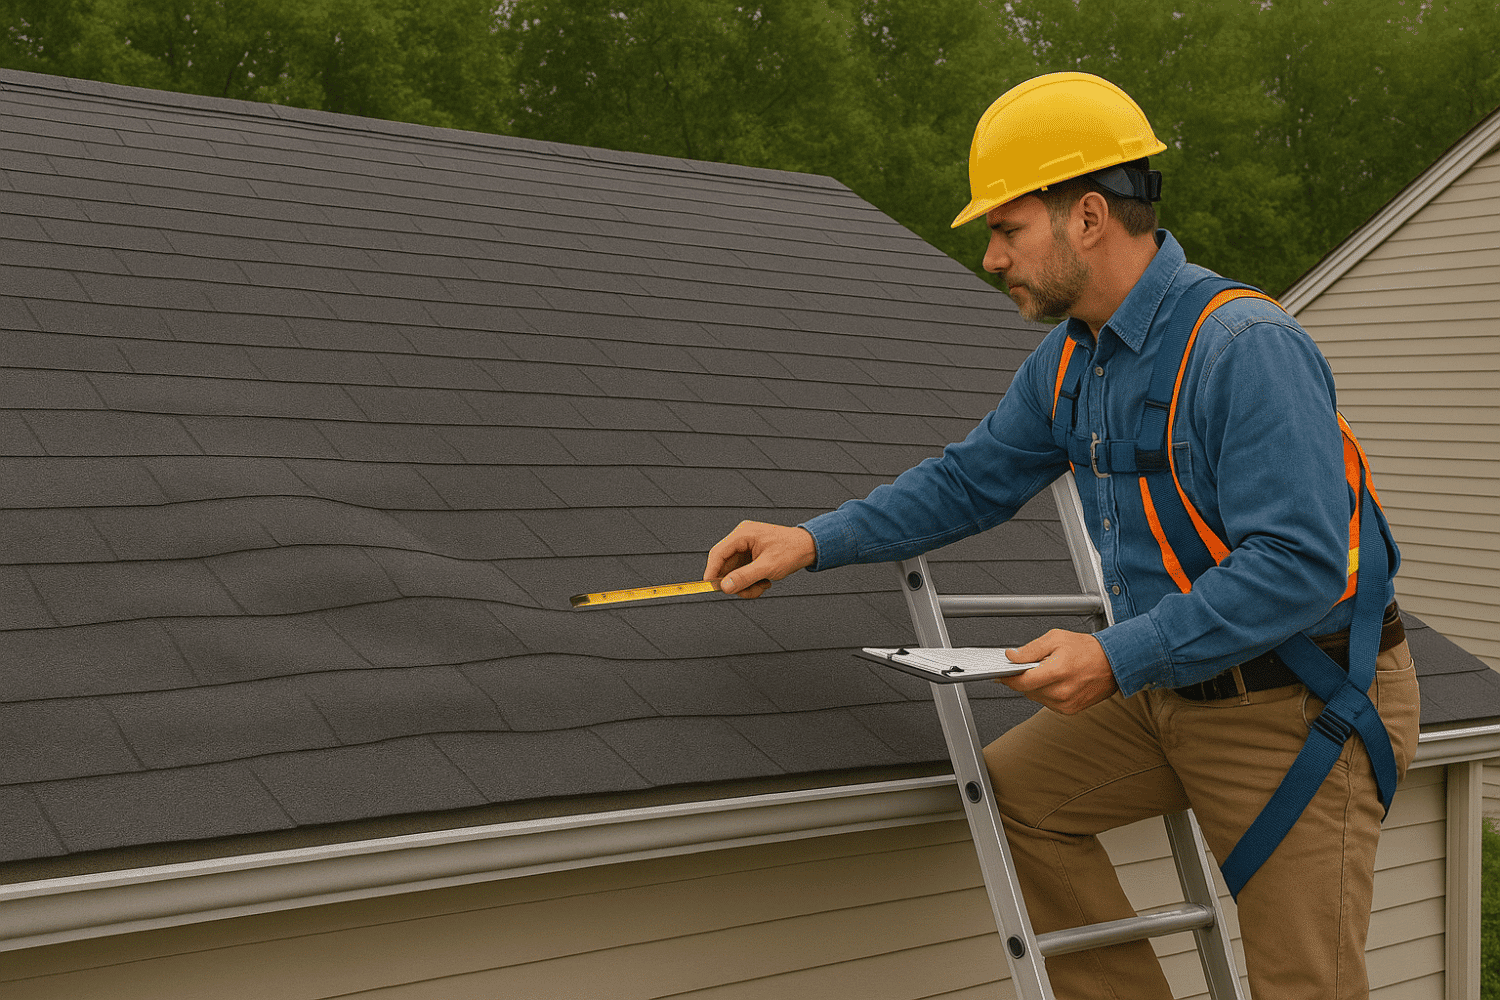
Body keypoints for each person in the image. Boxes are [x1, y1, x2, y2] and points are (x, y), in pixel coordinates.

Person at [703, 72, 1420, 999]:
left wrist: (1115, 658)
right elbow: (971, 479)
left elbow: (1301, 565)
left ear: (1087, 216)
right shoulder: (1075, 357)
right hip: (1171, 686)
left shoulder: (1244, 347)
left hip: (1296, 704)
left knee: (1303, 986)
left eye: (1006, 229)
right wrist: (810, 540)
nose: (993, 258)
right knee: (1013, 796)